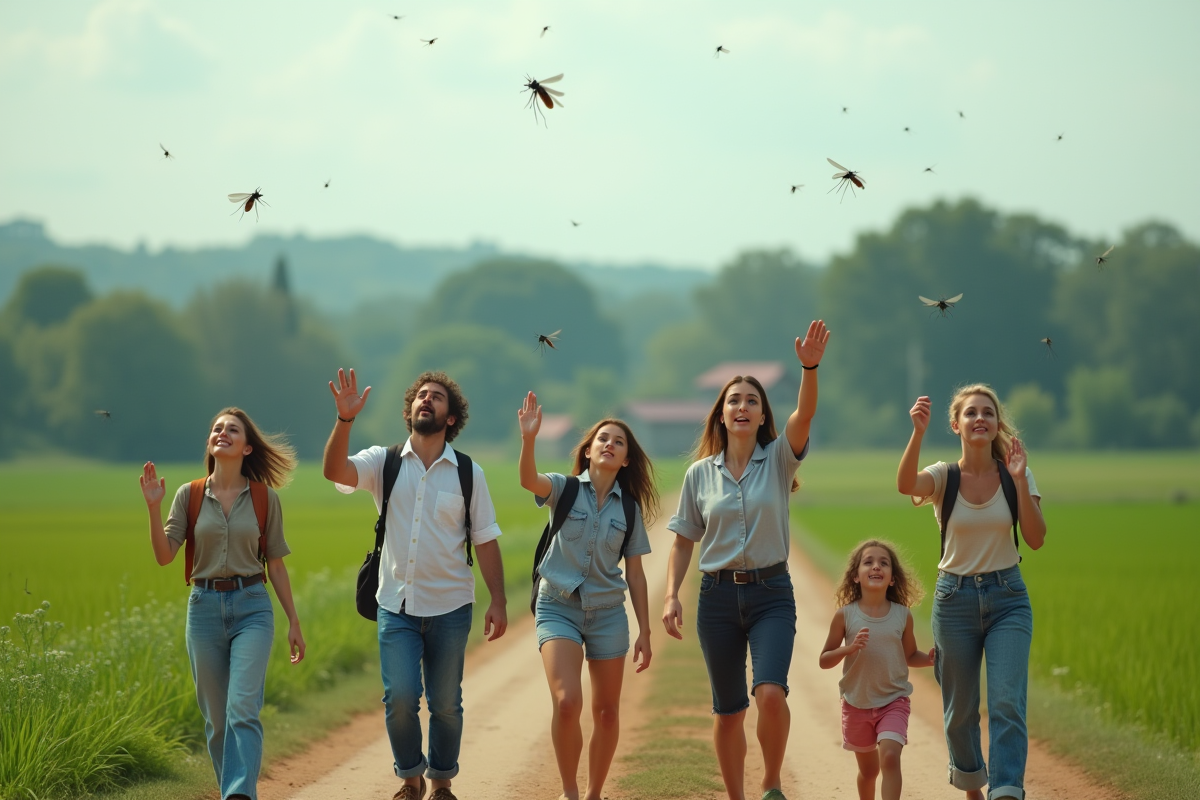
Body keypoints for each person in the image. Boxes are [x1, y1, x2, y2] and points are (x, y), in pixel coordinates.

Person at [663, 319, 830, 800]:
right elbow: (682, 541)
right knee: (729, 710)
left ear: (761, 417)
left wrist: (809, 366)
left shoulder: (779, 458)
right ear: (721, 415)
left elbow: (806, 412)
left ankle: (772, 784)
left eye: (752, 401)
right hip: (715, 598)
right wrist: (672, 594)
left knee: (771, 693)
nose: (742, 407)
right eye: (734, 400)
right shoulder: (699, 475)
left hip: (770, 593)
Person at [322, 368, 507, 800]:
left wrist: (498, 601)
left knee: (445, 704)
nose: (427, 400)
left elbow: (485, 539)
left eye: (437, 397)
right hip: (395, 604)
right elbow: (335, 471)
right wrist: (344, 421)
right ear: (410, 411)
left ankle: (442, 783)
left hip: (451, 607)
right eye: (421, 395)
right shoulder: (383, 462)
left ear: (450, 418)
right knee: (401, 698)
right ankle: (410, 779)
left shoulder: (467, 473)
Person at [139, 407, 306, 800]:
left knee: (242, 710)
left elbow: (277, 567)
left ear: (248, 448)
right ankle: (234, 788)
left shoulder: (266, 499)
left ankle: (238, 795)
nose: (222, 433)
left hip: (253, 607)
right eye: (217, 429)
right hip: (204, 609)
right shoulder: (189, 495)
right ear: (210, 443)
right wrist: (151, 506)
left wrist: (293, 621)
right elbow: (165, 556)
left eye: (233, 429)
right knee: (216, 722)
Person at [896, 385, 1046, 800]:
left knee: (1006, 704)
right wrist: (917, 433)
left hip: (1008, 598)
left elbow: (1034, 540)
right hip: (954, 601)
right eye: (971, 413)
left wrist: (1018, 480)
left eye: (988, 413)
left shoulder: (1017, 473)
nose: (980, 419)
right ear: (956, 424)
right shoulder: (945, 476)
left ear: (997, 423)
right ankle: (970, 786)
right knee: (959, 714)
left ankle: (1006, 790)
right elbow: (905, 483)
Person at [517, 392, 657, 800]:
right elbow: (529, 480)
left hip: (609, 614)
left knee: (607, 712)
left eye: (618, 442)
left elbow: (636, 574)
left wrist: (646, 631)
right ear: (588, 450)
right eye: (602, 439)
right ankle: (570, 791)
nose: (609, 444)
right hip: (557, 605)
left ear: (626, 459)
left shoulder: (629, 511)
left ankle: (595, 793)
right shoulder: (564, 489)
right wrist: (529, 440)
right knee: (566, 702)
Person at [819, 540, 934, 800]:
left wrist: (929, 659)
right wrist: (847, 650)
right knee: (869, 772)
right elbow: (824, 659)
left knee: (890, 758)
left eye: (884, 563)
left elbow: (909, 655)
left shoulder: (902, 615)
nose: (876, 566)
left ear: (893, 578)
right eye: (868, 562)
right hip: (856, 703)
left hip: (893, 700)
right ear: (855, 576)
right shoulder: (845, 615)